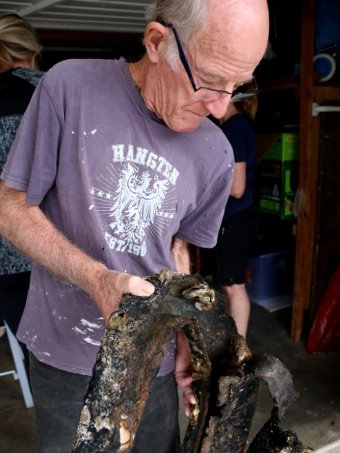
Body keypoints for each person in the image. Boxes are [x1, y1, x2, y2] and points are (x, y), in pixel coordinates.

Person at [0, 0, 269, 451]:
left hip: (155, 357)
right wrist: (96, 278)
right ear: (157, 42)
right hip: (64, 352)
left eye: (238, 87)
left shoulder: (216, 153)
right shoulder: (69, 87)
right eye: (208, 82)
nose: (221, 108)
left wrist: (185, 330)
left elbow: (178, 249)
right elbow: (10, 206)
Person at [0, 13, 43, 371]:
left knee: (36, 361)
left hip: (4, 266)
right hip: (53, 252)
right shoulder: (45, 89)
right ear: (32, 53)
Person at [211, 85, 259, 338]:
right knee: (230, 285)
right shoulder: (238, 126)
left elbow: (237, 187)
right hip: (240, 217)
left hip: (236, 218)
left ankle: (237, 349)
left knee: (234, 286)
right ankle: (233, 342)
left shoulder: (233, 130)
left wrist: (207, 183)